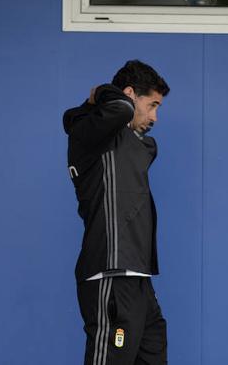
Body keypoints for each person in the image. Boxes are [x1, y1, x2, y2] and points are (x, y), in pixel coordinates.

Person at [63, 60, 170, 365]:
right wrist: (101, 93)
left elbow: (142, 141)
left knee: (154, 352)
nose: (155, 117)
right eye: (151, 105)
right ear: (129, 94)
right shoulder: (91, 133)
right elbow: (120, 110)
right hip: (110, 271)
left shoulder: (131, 142)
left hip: (138, 276)